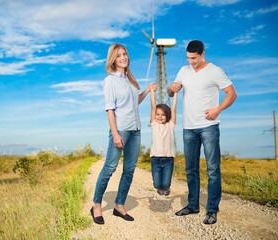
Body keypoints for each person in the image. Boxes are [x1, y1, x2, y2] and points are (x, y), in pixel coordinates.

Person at [168, 40, 237, 224]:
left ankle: (212, 210)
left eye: (194, 58)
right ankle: (193, 206)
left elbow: (232, 94)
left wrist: (218, 109)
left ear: (202, 54)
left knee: (213, 170)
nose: (191, 62)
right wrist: (171, 88)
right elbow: (170, 92)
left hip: (209, 126)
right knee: (191, 170)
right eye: (188, 58)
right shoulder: (183, 71)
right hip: (188, 128)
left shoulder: (215, 71)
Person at [90, 43, 157, 224]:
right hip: (120, 130)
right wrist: (116, 133)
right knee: (110, 167)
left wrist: (147, 90)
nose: (123, 58)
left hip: (136, 130)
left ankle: (119, 205)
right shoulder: (110, 81)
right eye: (119, 55)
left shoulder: (130, 80)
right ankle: (96, 205)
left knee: (129, 170)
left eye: (125, 54)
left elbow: (135, 103)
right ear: (113, 59)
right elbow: (110, 110)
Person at [149, 89, 178, 196]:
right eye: (158, 114)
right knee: (157, 184)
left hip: (168, 159)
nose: (160, 116)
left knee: (165, 184)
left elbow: (174, 108)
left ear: (168, 116)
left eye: (163, 115)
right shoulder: (154, 124)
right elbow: (153, 107)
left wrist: (176, 93)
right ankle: (160, 188)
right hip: (155, 159)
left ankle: (166, 188)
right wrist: (152, 92)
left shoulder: (171, 125)